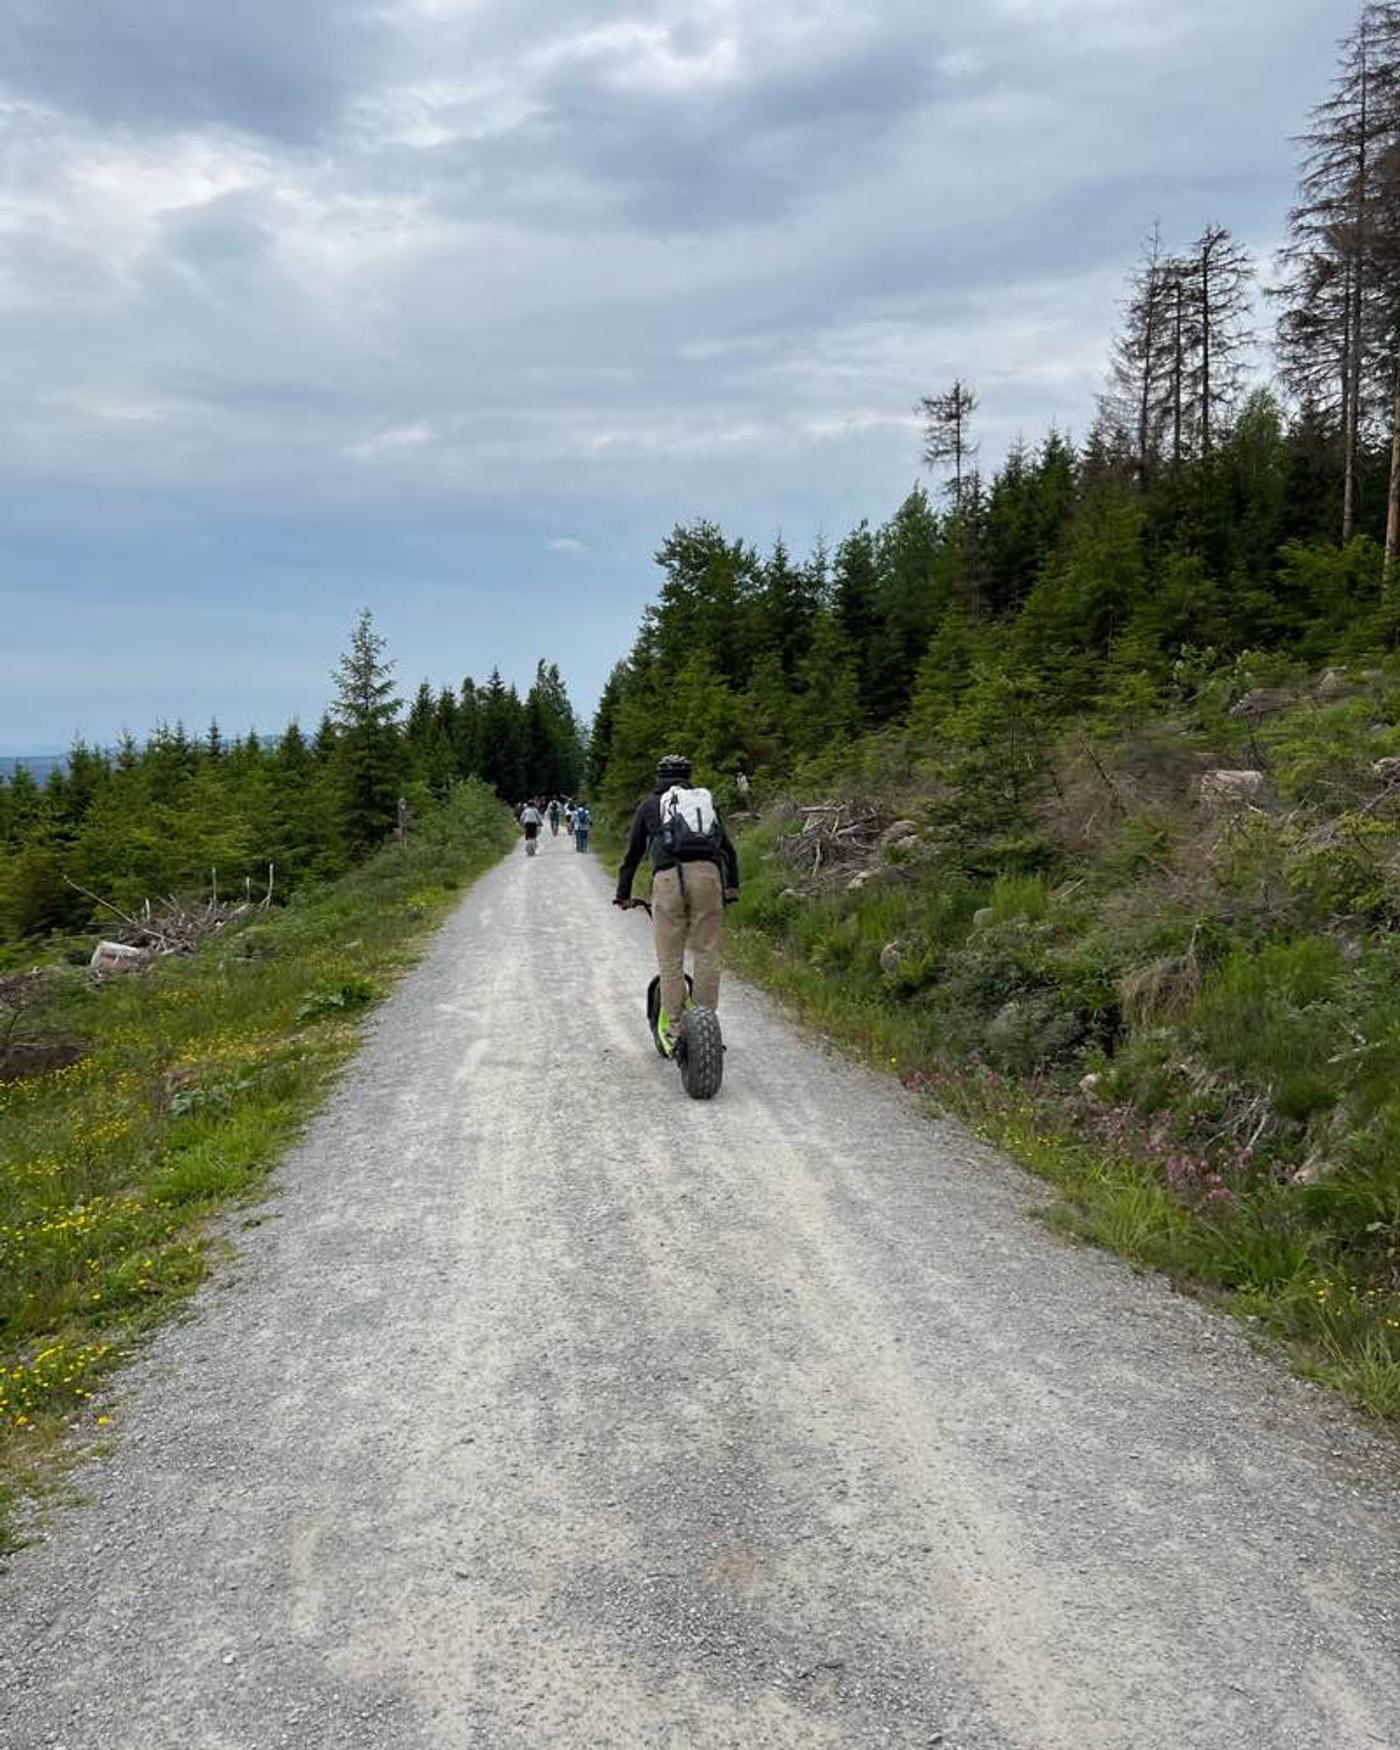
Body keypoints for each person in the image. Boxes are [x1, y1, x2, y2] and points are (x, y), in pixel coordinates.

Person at [614, 754, 740, 1055]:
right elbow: (728, 850)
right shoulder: (702, 803)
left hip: (668, 880)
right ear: (688, 775)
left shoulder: (650, 805)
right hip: (709, 877)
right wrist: (732, 886)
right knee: (707, 953)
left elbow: (633, 854)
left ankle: (676, 1029)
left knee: (670, 958)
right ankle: (706, 1024)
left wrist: (623, 893)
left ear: (659, 776)